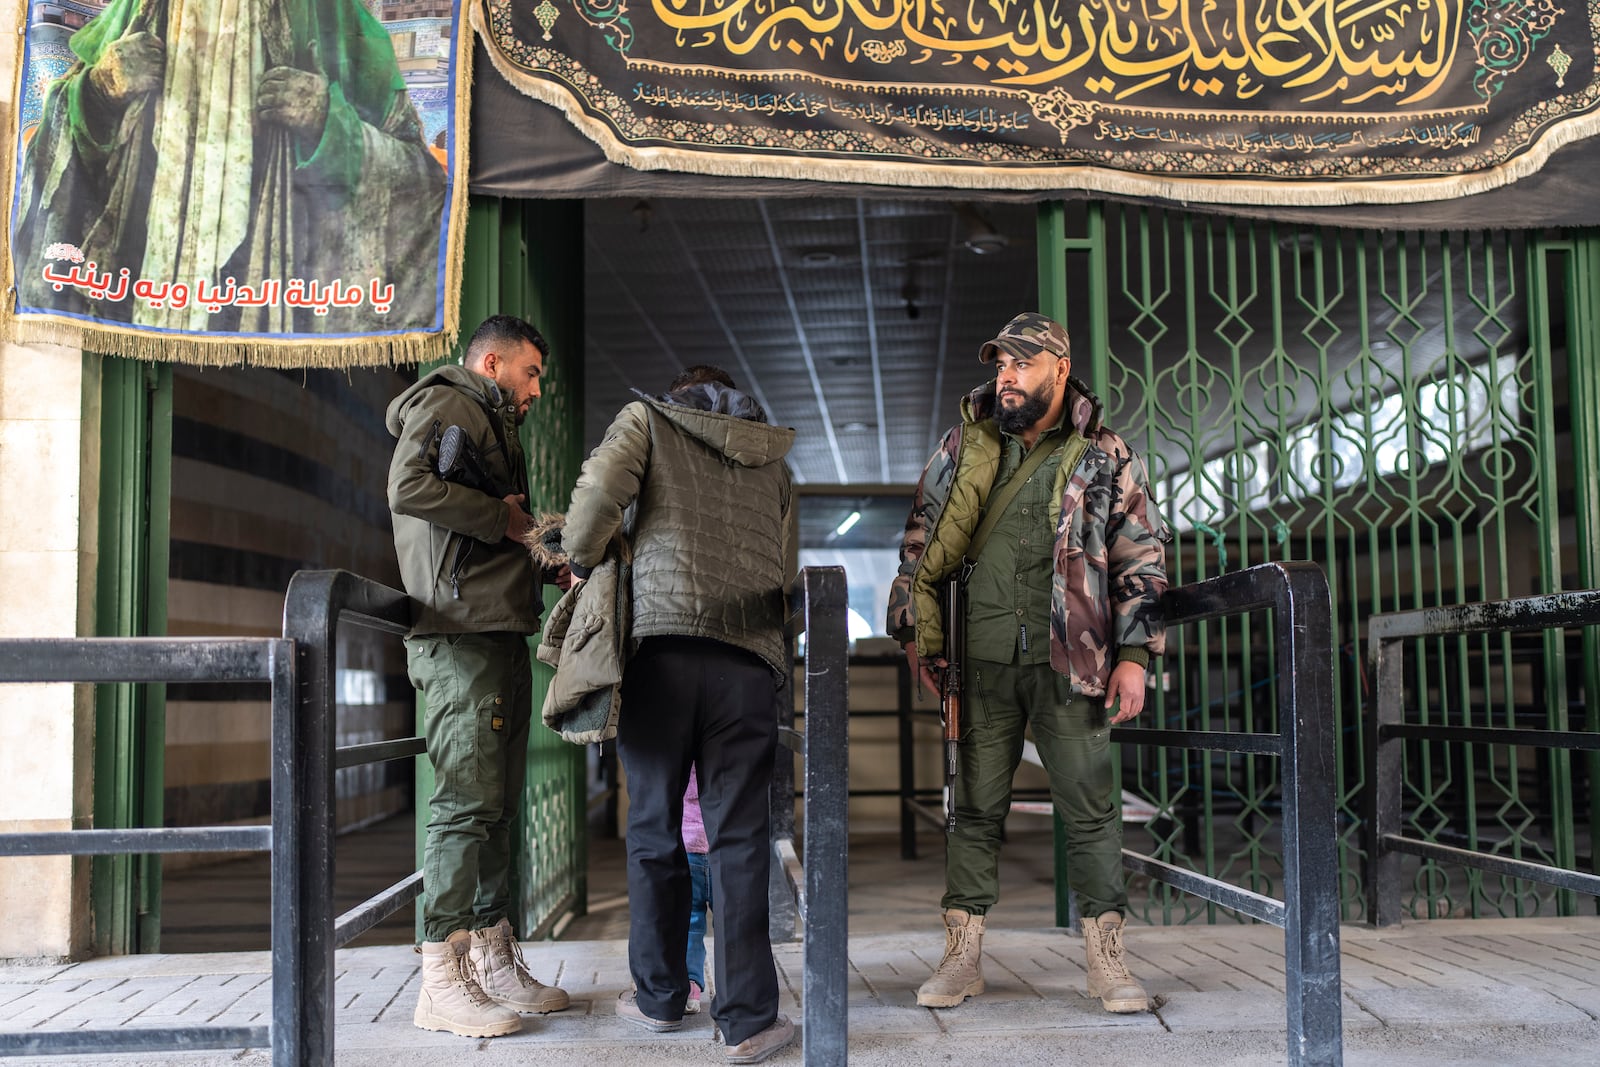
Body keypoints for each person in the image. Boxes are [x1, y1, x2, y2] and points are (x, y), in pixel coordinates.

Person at [886, 312, 1168, 1014]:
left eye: (1021, 363)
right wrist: (921, 638)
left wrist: (1134, 655)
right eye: (1000, 364)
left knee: (1092, 806)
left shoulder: (1104, 451)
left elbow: (1141, 554)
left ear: (1059, 368)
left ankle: (1106, 958)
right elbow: (919, 542)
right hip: (979, 661)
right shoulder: (965, 443)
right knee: (974, 809)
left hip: (1071, 658)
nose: (1005, 376)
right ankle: (962, 954)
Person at [562, 365, 797, 1064]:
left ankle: (661, 997)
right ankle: (749, 1017)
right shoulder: (772, 459)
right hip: (747, 661)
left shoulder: (648, 423)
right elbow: (784, 571)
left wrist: (581, 557)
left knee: (654, 827)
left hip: (660, 653)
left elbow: (597, 498)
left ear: (677, 398)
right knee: (739, 835)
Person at [12, 0, 445, 333]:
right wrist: (98, 91)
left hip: (288, 325)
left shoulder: (328, 14)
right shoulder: (141, 11)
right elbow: (47, 161)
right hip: (133, 300)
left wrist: (329, 126)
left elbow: (421, 187)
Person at [385, 315, 569, 1039]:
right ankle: (442, 975)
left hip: (492, 628)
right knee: (465, 803)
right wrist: (502, 519)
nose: (537, 392)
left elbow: (505, 529)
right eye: (531, 375)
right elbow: (408, 485)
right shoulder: (450, 401)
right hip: (458, 634)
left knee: (495, 806)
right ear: (492, 362)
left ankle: (492, 960)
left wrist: (546, 550)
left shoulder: (491, 419)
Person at [683, 766, 712, 1015]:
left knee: (691, 922)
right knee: (731, 922)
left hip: (687, 846)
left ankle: (691, 988)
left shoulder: (679, 748)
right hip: (721, 847)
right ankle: (735, 989)